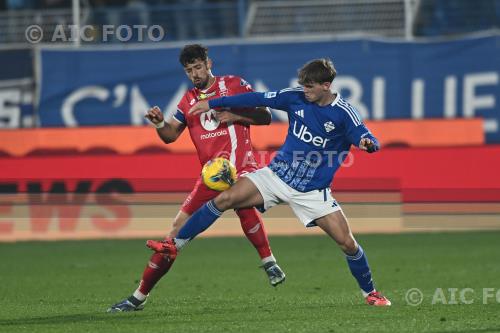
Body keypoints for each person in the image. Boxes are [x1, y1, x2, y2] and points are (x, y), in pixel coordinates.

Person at [147, 58, 392, 306]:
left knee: (347, 243)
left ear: (326, 86)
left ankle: (370, 292)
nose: (304, 91)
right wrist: (212, 102)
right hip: (276, 176)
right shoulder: (295, 97)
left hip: (312, 191)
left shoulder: (344, 113)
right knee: (225, 198)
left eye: (310, 87)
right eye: (303, 86)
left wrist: (368, 144)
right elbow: (257, 99)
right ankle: (174, 245)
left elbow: (364, 135)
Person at [107, 44, 285, 312]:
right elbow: (170, 136)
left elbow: (266, 116)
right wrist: (158, 123)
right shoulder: (187, 100)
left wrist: (235, 114)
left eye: (198, 67)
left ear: (209, 63)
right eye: (189, 70)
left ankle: (269, 261)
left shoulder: (234, 85)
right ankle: (138, 297)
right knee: (172, 237)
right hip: (209, 176)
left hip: (239, 168)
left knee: (239, 200)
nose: (194, 74)